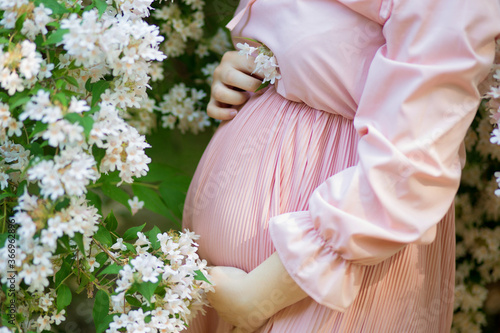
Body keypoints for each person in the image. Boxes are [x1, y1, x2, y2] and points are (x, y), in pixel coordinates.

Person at [182, 0, 500, 332]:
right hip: (242, 287)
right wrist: (256, 63)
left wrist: (261, 293)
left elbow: (415, 159)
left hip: (318, 285)